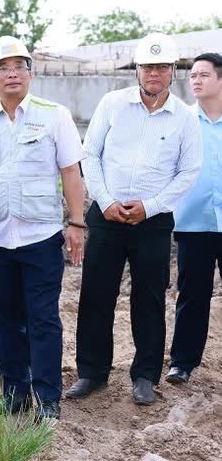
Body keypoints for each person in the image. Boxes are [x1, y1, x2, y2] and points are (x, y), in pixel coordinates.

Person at [0, 36, 86, 420]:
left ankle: (47, 398)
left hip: (41, 236)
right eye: (3, 69)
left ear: (31, 73)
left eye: (19, 67)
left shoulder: (54, 115)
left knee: (43, 317)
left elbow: (71, 173)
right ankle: (15, 394)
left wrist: (76, 222)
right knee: (1, 317)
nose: (12, 74)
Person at [66, 32, 201, 405]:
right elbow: (89, 155)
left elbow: (188, 172)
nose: (153, 73)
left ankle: (145, 376)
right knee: (96, 296)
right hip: (106, 217)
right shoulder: (112, 104)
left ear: (172, 71)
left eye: (161, 66)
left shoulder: (185, 118)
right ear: (137, 70)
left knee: (149, 299)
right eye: (147, 66)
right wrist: (106, 201)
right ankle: (92, 373)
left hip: (153, 223)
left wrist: (151, 205)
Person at [166, 52, 222, 384]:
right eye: (193, 76)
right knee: (192, 294)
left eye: (203, 75)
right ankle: (182, 362)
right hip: (193, 222)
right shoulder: (182, 120)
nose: (196, 80)